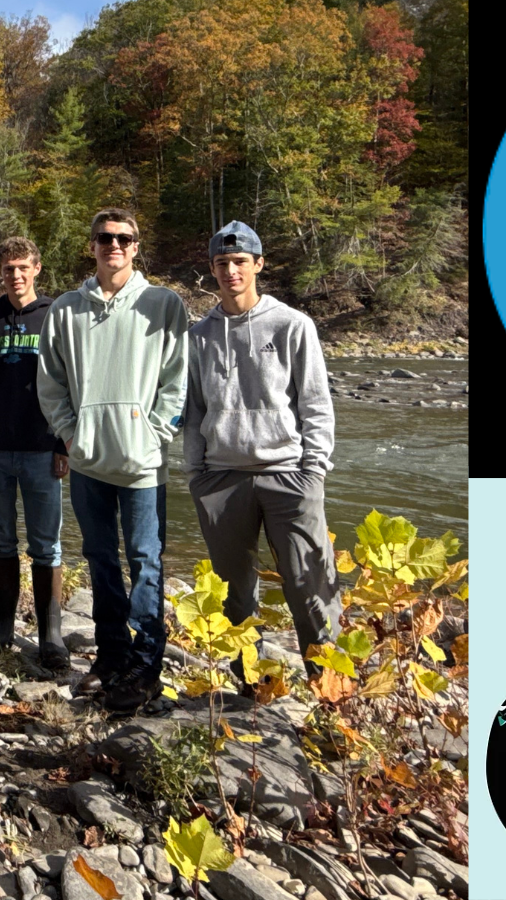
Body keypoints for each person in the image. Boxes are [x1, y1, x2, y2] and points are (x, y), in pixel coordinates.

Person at [37, 208, 188, 715]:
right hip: (86, 463)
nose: (114, 245)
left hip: (144, 465)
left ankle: (147, 666)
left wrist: (155, 433)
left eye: (124, 238)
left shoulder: (163, 304)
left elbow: (177, 380)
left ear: (137, 246)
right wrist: (71, 434)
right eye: (105, 237)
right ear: (93, 245)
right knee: (100, 560)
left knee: (146, 563)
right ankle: (111, 653)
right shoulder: (65, 309)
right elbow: (51, 383)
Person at [185, 222, 338, 678]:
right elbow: (193, 410)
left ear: (258, 265)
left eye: (239, 262)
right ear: (212, 270)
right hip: (220, 478)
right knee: (235, 594)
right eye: (221, 264)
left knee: (309, 586)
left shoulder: (292, 325)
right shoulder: (197, 336)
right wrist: (196, 472)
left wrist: (314, 470)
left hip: (289, 473)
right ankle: (247, 685)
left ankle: (332, 692)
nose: (231, 271)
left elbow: (315, 402)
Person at [0, 237, 68, 669]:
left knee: (47, 545)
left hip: (43, 449)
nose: (16, 275)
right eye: (8, 269)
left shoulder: (56, 317)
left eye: (23, 267)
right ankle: (3, 625)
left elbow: (70, 381)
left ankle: (52, 635)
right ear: (1, 273)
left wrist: (65, 443)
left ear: (37, 268)